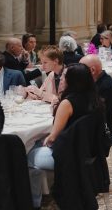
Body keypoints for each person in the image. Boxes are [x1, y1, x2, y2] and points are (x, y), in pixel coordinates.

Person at [27, 64, 105, 206]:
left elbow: (53, 137)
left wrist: (44, 141)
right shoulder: (96, 99)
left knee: (27, 155)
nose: (61, 78)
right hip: (89, 153)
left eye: (64, 76)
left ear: (71, 81)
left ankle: (35, 202)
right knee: (37, 144)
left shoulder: (68, 103)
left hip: (70, 157)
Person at [80, 54, 112, 132]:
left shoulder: (106, 86)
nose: (79, 71)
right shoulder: (96, 81)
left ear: (92, 70)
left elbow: (98, 114)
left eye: (81, 69)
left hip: (101, 131)